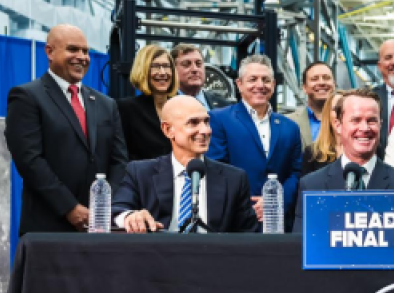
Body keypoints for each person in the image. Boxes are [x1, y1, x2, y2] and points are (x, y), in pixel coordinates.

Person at [5, 24, 128, 234]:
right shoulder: (27, 97)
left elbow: (119, 161)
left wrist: (105, 207)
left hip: (100, 228)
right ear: (49, 52)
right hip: (48, 228)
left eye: (86, 51)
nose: (82, 57)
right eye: (73, 49)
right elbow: (29, 160)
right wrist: (69, 208)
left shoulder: (106, 104)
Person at [112, 95, 259, 233]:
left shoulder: (234, 179)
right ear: (168, 130)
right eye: (193, 122)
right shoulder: (140, 172)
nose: (205, 130)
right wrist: (130, 216)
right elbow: (116, 210)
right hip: (158, 257)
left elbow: (248, 236)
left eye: (206, 122)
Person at [294, 89, 394, 230]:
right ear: (338, 125)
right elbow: (302, 247)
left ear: (380, 125)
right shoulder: (312, 186)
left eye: (371, 120)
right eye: (356, 120)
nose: (364, 128)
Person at [208, 54, 304, 230]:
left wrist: (276, 202)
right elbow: (217, 169)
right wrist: (249, 207)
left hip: (280, 223)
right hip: (236, 222)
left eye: (266, 80)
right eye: (252, 79)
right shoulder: (219, 120)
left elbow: (295, 173)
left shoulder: (290, 127)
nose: (260, 85)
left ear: (273, 85)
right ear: (239, 84)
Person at [117, 45, 179, 161]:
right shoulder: (127, 109)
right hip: (141, 177)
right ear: (143, 70)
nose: (162, 72)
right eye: (155, 66)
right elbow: (120, 156)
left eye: (166, 66)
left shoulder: (182, 107)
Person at [283, 61, 336, 149]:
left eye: (326, 78)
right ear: (304, 87)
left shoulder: (346, 120)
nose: (321, 82)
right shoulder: (287, 123)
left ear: (333, 84)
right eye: (314, 79)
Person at [171, 43, 234, 110]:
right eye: (186, 64)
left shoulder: (225, 106)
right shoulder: (163, 104)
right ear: (173, 70)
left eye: (198, 64)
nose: (195, 69)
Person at [301, 91, 345, 177]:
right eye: (336, 109)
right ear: (327, 114)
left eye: (345, 109)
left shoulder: (367, 149)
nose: (341, 114)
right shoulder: (312, 153)